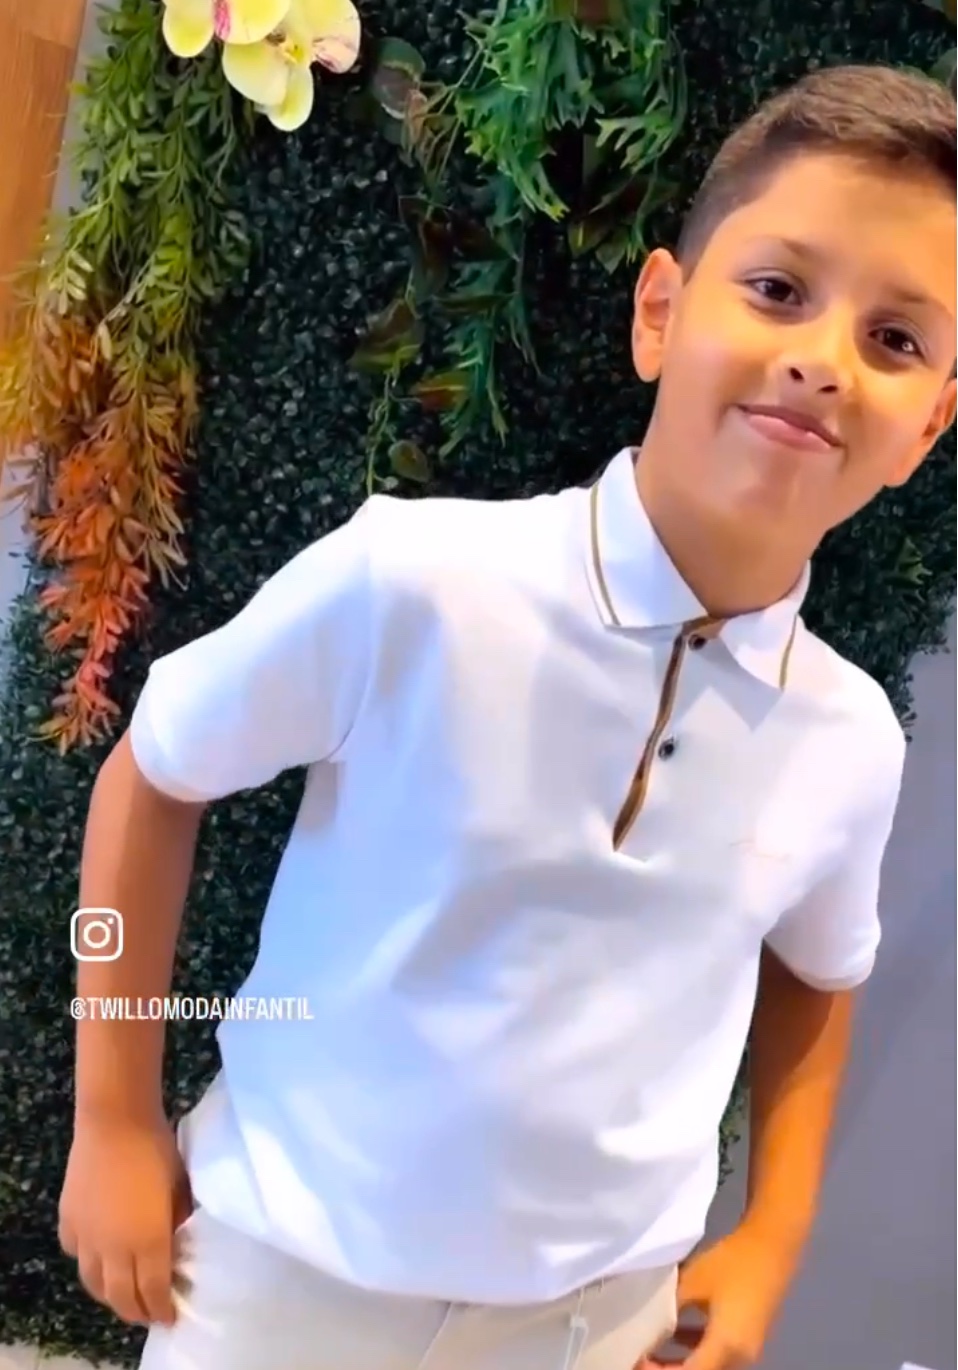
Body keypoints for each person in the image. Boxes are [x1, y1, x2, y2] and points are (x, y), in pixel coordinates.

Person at [59, 62, 956, 1370]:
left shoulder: (849, 737)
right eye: (777, 289)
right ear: (661, 312)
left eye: (896, 339)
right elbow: (150, 775)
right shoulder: (413, 581)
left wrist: (772, 1232)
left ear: (930, 427)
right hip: (275, 1286)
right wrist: (111, 1118)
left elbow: (818, 975)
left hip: (593, 1325)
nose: (823, 360)